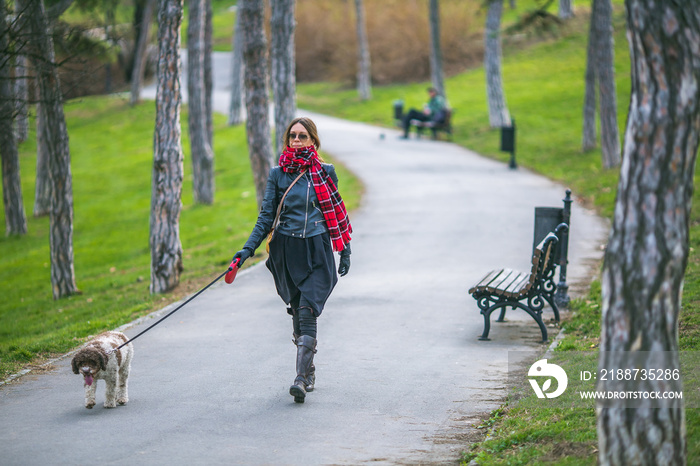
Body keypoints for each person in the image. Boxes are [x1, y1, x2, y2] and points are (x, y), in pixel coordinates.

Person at [231, 117, 352, 404]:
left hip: (318, 248)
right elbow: (265, 218)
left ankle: (299, 379)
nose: (296, 141)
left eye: (303, 136)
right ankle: (308, 370)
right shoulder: (277, 174)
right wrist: (246, 250)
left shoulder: (325, 172)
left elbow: (335, 211)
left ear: (313, 141)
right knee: (299, 315)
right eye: (292, 136)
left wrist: (345, 249)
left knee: (309, 311)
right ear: (287, 140)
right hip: (287, 251)